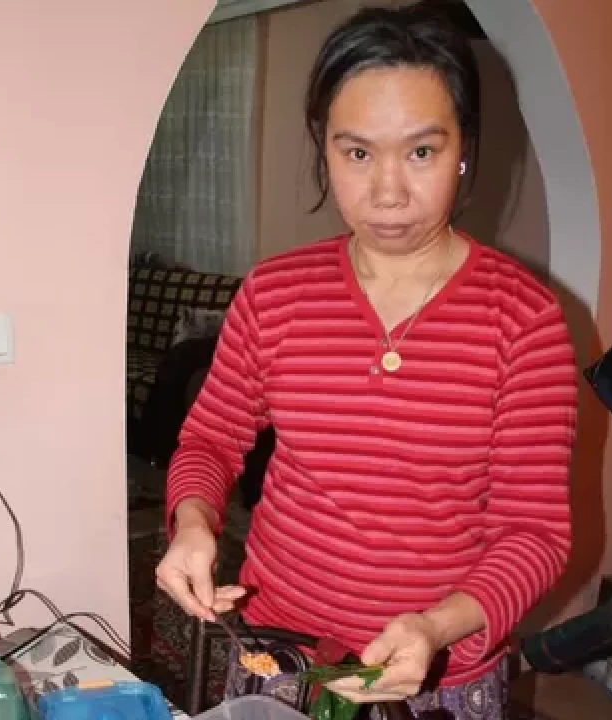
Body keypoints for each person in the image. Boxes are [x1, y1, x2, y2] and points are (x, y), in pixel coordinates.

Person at [154, 6, 576, 718]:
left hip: (439, 675)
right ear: (324, 149)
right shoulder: (274, 293)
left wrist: (436, 627)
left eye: (421, 152)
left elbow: (533, 533)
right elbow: (210, 440)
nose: (387, 192)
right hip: (280, 656)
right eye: (357, 154)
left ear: (464, 149)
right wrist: (193, 522)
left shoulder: (523, 319)